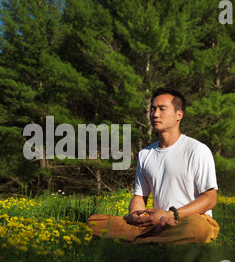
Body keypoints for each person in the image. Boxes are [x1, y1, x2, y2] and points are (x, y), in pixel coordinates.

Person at [87, 88, 220, 244]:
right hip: (155, 222)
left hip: (188, 219)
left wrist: (171, 215)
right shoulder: (145, 154)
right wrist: (136, 215)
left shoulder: (197, 150)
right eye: (152, 109)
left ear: (179, 115)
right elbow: (139, 196)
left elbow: (210, 199)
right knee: (94, 221)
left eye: (162, 109)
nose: (155, 114)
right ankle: (156, 238)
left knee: (198, 228)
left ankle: (142, 241)